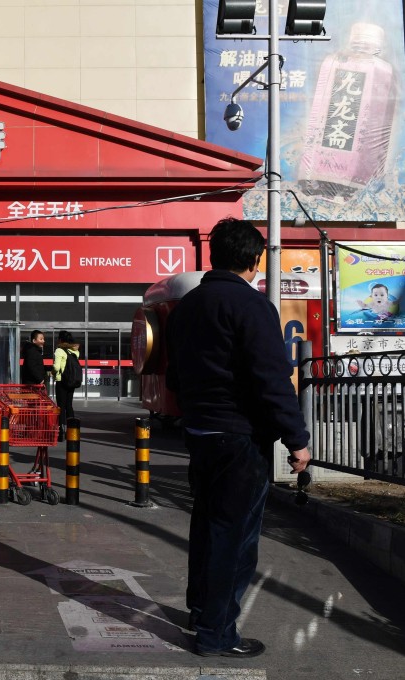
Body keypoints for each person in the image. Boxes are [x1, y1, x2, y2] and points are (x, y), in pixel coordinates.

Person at [166, 217, 311, 659]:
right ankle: (217, 633)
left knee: (207, 526)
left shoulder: (187, 307)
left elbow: (174, 375)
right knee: (235, 537)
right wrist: (296, 438)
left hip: (200, 434)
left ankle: (200, 610)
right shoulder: (252, 306)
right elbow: (271, 378)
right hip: (240, 438)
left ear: (214, 257)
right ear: (254, 260)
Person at [52, 330, 80, 441]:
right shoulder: (74, 351)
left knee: (61, 407)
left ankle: (61, 432)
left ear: (60, 339)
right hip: (71, 382)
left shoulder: (59, 350)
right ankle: (72, 431)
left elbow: (56, 367)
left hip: (61, 381)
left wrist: (52, 373)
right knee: (69, 405)